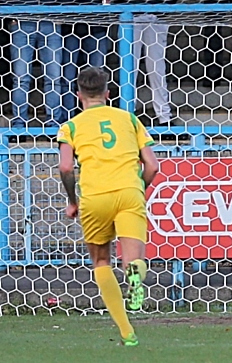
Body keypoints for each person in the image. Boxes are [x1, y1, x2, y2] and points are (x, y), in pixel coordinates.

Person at [57, 66, 159, 346]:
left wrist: (72, 202)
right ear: (107, 93)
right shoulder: (129, 118)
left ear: (79, 95)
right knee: (133, 258)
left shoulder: (71, 126)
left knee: (102, 261)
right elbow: (152, 165)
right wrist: (138, 190)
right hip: (129, 191)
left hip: (95, 197)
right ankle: (135, 274)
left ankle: (127, 333)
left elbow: (66, 166)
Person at [0, 0, 69, 128]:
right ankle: (20, 123)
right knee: (21, 76)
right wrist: (12, 17)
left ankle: (53, 123)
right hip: (22, 24)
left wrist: (59, 14)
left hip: (50, 22)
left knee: (54, 76)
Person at [112, 0, 179, 127]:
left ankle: (164, 117)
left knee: (156, 69)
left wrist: (154, 6)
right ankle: (126, 116)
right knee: (128, 69)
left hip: (153, 19)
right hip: (128, 20)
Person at [59, 0, 112, 120]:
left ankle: (95, 116)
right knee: (67, 75)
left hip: (96, 23)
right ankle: (68, 117)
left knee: (97, 74)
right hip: (71, 23)